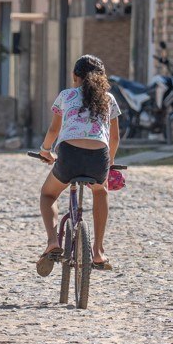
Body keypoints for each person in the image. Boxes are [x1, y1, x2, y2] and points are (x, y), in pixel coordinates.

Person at [36, 54, 121, 274]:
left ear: (75, 76)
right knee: (100, 192)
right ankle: (99, 251)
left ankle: (53, 242)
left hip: (69, 155)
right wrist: (108, 165)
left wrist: (45, 151)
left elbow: (54, 131)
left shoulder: (66, 95)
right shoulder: (108, 99)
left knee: (48, 195)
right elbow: (114, 139)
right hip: (98, 157)